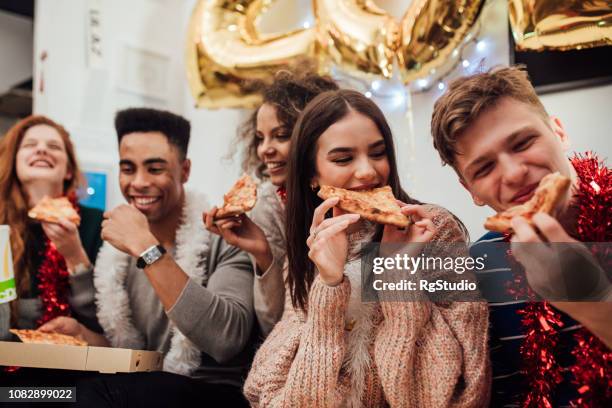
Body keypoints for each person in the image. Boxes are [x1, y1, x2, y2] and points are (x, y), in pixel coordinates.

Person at [244, 89, 490, 407]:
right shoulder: (309, 252)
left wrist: (396, 274)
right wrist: (329, 286)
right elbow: (272, 397)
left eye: (378, 153)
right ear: (311, 176)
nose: (368, 172)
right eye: (343, 158)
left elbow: (463, 394)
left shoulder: (434, 230)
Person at [41, 108, 254, 407]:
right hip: (136, 388)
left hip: (210, 393)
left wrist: (146, 247)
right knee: (28, 395)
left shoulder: (225, 234)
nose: (138, 182)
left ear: (185, 170)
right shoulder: (118, 250)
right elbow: (136, 353)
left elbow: (225, 339)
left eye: (155, 169)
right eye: (128, 169)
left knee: (94, 394)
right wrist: (84, 335)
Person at [430, 66, 611, 406]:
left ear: (559, 132)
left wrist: (594, 297)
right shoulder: (474, 271)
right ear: (470, 190)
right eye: (484, 168)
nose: (514, 174)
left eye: (523, 142)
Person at [204, 70, 338, 335]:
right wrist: (263, 255)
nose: (265, 149)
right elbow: (273, 326)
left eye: (281, 135)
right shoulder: (269, 206)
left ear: (316, 134)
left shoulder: (362, 203)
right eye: (261, 137)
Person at [0, 115, 103, 388]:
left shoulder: (97, 225)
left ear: (68, 170)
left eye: (54, 146)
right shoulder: (1, 230)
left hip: (76, 384)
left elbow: (110, 326)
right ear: (14, 162)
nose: (42, 149)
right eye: (30, 144)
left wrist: (74, 255)